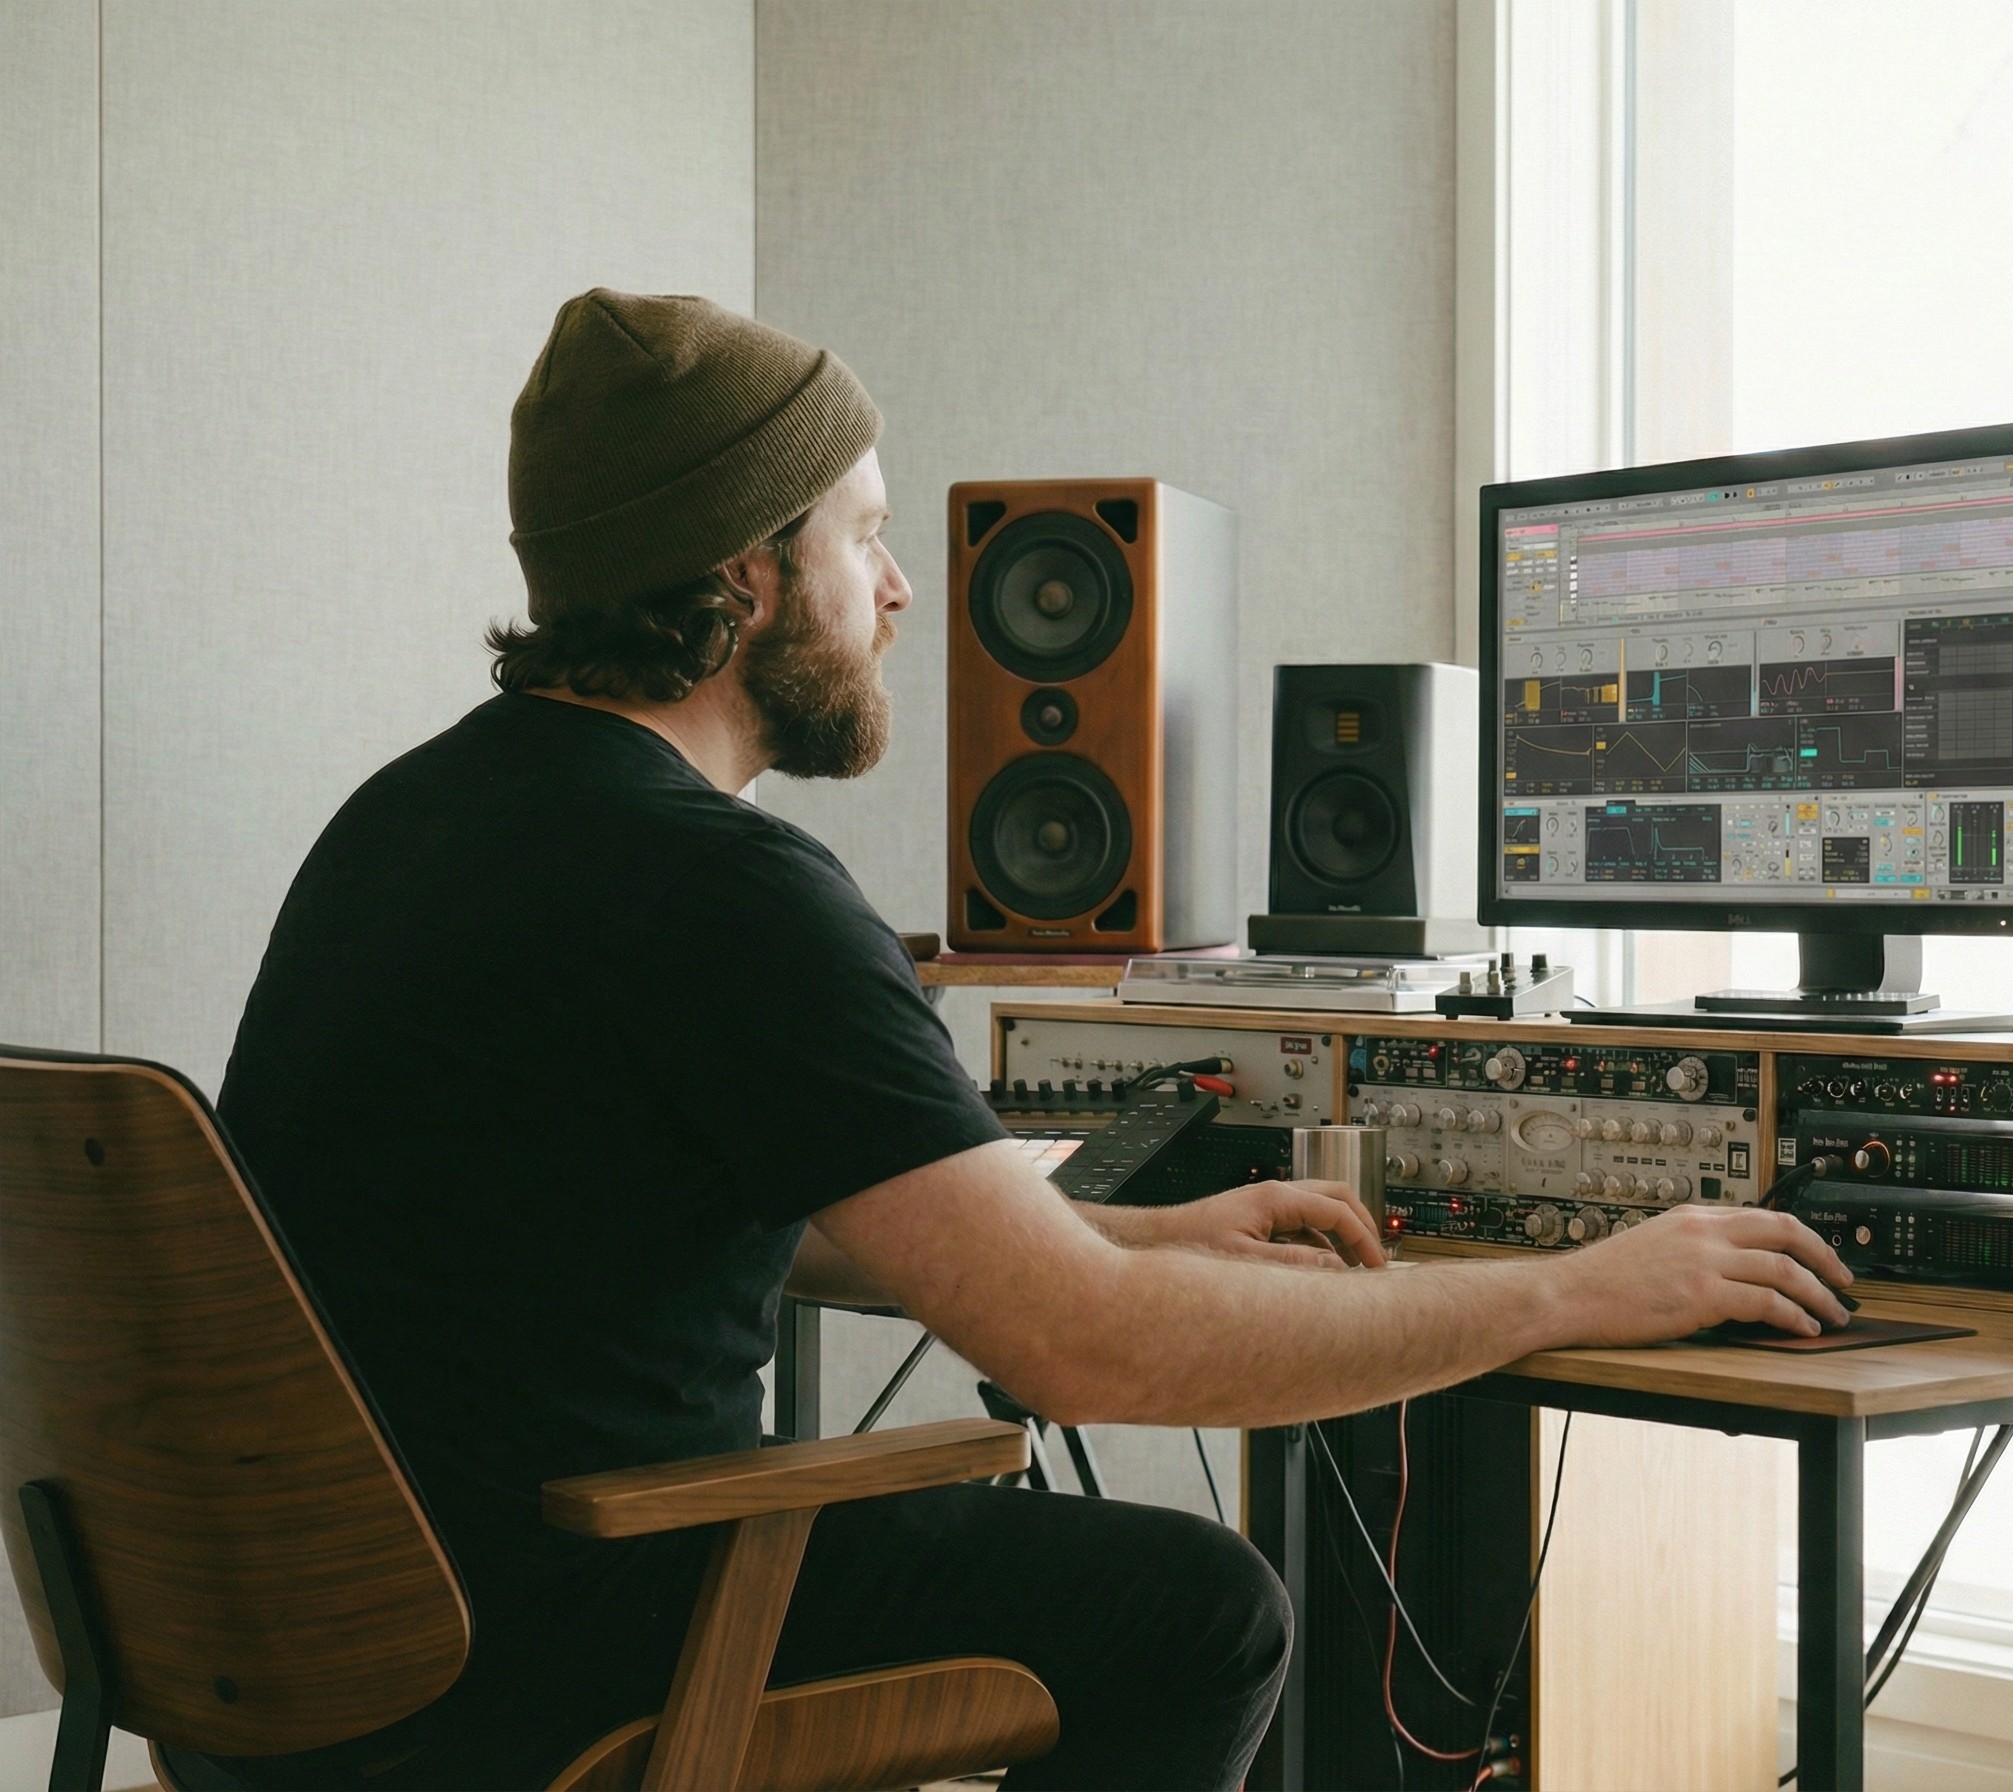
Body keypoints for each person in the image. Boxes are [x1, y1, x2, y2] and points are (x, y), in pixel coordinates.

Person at [199, 291, 1852, 1792]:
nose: (905, 590)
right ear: (746, 582)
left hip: (295, 1650)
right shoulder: (720, 887)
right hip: (551, 1645)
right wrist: (1576, 1290)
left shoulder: (411, 822)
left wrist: (1112, 1230)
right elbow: (1094, 1356)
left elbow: (662, 1216)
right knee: (1198, 1614)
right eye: (866, 539)